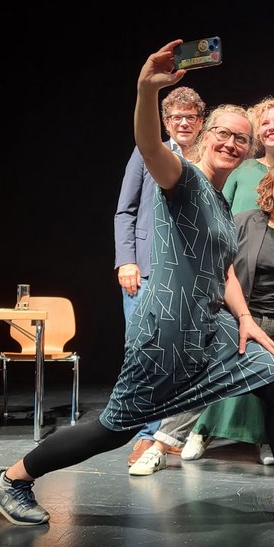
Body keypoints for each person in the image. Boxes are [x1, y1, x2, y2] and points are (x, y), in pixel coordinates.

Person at [0, 40, 274, 534]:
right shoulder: (182, 177)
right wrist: (147, 88)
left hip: (210, 330)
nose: (234, 144)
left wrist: (247, 320)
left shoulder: (219, 202)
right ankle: (13, 479)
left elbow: (223, 271)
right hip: (165, 332)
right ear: (206, 135)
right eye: (226, 134)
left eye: (243, 140)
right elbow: (149, 145)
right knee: (115, 429)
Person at [130, 153, 274, 491]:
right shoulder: (246, 221)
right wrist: (234, 319)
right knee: (200, 371)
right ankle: (162, 445)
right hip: (239, 321)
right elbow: (223, 270)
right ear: (271, 183)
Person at [183, 97, 274, 465]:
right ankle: (200, 430)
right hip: (233, 271)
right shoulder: (240, 167)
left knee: (266, 355)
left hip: (273, 283)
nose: (271, 128)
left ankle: (269, 437)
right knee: (226, 351)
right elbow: (217, 211)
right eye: (264, 123)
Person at [113, 86, 205, 466]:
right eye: (175, 117)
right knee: (143, 352)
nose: (183, 122)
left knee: (184, 356)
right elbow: (125, 210)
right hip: (146, 269)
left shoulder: (208, 158)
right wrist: (126, 260)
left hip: (191, 274)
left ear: (201, 122)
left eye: (190, 116)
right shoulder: (147, 151)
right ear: (165, 122)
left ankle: (174, 433)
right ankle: (146, 433)